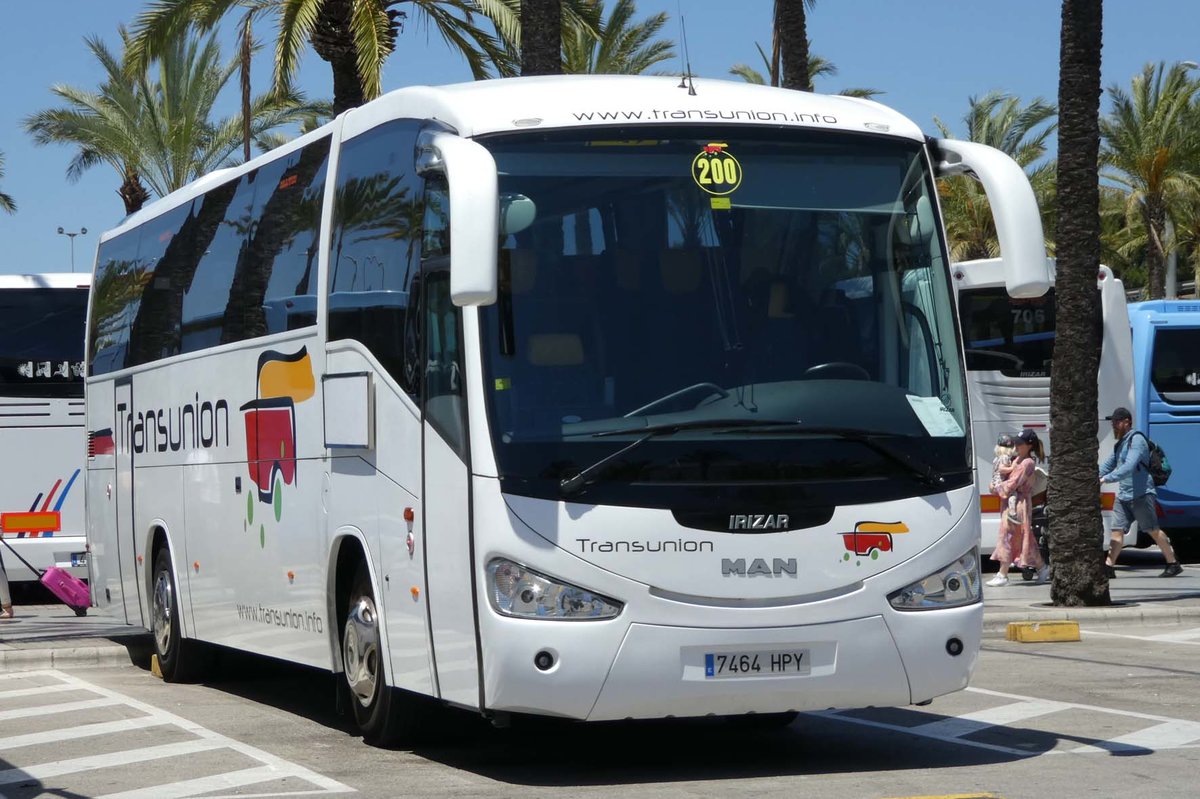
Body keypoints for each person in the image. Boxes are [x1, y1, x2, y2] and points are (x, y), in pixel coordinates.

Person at [1100, 406, 1183, 578]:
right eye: (1112, 421)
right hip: (1124, 496)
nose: (1113, 424)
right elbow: (1108, 465)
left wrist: (1106, 479)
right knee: (1116, 531)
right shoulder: (1120, 443)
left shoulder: (1136, 440)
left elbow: (1129, 467)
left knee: (1152, 530)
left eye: (1116, 421)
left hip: (1142, 494)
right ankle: (1108, 567)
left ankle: (1173, 563)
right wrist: (1093, 476)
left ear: (1127, 422)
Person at [987, 428, 1050, 586]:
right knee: (1023, 537)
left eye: (1020, 443)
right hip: (1012, 503)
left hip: (1019, 505)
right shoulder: (1017, 460)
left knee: (1007, 536)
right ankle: (1042, 568)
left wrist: (995, 488)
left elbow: (1013, 483)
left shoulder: (1027, 463)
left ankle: (1002, 574)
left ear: (1029, 446)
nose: (1016, 445)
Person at [990, 433, 1021, 525]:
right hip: (1000, 484)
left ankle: (1010, 513)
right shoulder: (1005, 457)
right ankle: (1012, 513)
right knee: (1013, 494)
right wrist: (1012, 468)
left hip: (995, 484)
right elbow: (1001, 469)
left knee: (1006, 496)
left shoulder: (997, 458)